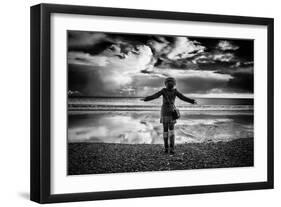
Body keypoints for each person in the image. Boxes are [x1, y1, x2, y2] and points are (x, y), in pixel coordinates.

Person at [141, 77, 196, 154]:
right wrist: (192, 101)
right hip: (171, 112)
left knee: (165, 130)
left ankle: (166, 148)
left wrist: (146, 99)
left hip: (164, 111)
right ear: (174, 84)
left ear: (165, 84)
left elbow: (155, 96)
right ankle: (172, 148)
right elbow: (182, 97)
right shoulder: (175, 91)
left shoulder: (164, 91)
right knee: (171, 131)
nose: (170, 84)